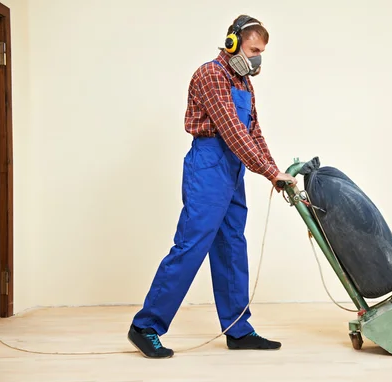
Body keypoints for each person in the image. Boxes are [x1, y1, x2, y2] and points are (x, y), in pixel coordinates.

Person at [127, 14, 297, 358]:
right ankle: (145, 326)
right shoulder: (211, 74)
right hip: (208, 166)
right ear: (233, 42)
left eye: (261, 52)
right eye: (253, 50)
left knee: (232, 247)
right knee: (191, 245)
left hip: (233, 169)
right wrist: (267, 171)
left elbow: (253, 132)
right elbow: (232, 130)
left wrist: (276, 171)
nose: (256, 59)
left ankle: (238, 330)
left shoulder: (244, 83)